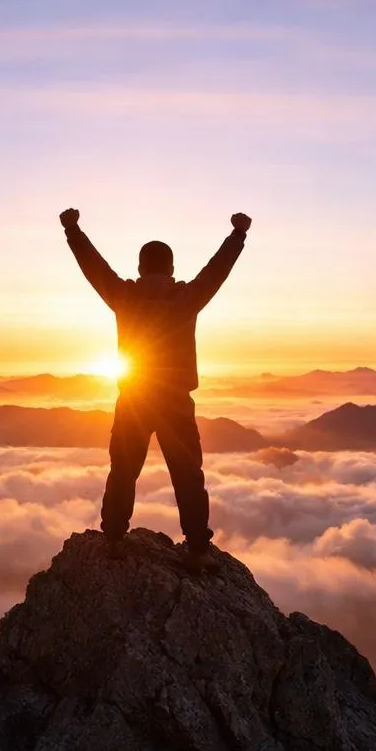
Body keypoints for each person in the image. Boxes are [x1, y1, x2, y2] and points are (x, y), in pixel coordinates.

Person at [59, 208, 252, 572]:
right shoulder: (187, 298)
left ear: (140, 268)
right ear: (172, 269)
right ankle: (197, 548)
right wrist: (237, 235)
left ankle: (114, 538)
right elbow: (217, 271)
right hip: (175, 400)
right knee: (188, 474)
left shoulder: (124, 296)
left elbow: (93, 267)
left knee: (123, 470)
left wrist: (73, 229)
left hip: (134, 397)